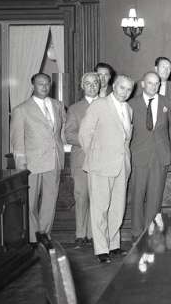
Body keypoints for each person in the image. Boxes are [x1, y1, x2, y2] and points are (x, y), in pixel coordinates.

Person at [79, 75, 134, 263]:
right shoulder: (99, 105)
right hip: (100, 166)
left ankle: (113, 245)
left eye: (129, 89)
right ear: (114, 86)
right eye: (122, 88)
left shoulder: (128, 109)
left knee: (117, 207)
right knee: (100, 208)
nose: (125, 92)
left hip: (121, 165)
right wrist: (95, 156)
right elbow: (84, 134)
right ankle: (101, 249)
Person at [10, 73, 66, 246]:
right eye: (40, 83)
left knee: (50, 200)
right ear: (32, 85)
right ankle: (34, 238)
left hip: (54, 160)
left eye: (47, 83)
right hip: (32, 164)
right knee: (30, 203)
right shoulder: (21, 110)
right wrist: (21, 167)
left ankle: (44, 236)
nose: (44, 87)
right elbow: (17, 141)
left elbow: (61, 132)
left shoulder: (58, 105)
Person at [129, 72, 171, 239]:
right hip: (138, 156)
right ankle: (136, 233)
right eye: (150, 83)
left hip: (160, 156)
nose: (154, 86)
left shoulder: (167, 102)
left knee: (155, 197)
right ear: (142, 84)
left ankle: (151, 232)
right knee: (137, 196)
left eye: (157, 83)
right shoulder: (131, 104)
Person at [64, 72, 100, 248]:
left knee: (98, 197)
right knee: (81, 196)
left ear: (99, 85)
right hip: (81, 158)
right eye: (88, 83)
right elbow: (69, 135)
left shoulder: (107, 105)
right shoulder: (74, 108)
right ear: (82, 86)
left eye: (95, 83)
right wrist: (89, 141)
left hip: (102, 160)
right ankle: (80, 234)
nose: (92, 86)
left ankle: (94, 234)